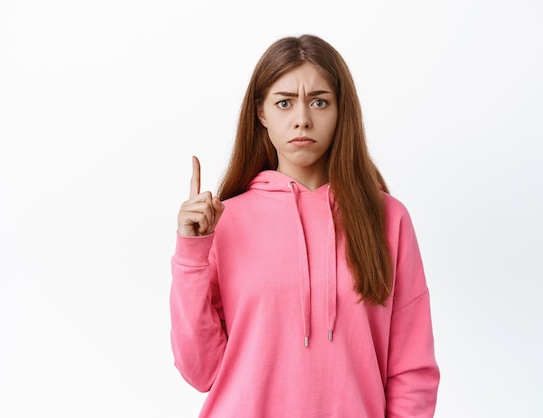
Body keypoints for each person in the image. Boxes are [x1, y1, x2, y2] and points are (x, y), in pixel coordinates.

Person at [170, 34, 440, 417]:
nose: (302, 119)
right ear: (261, 113)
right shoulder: (225, 222)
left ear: (340, 110)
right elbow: (200, 372)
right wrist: (191, 254)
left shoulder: (386, 219)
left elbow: (412, 371)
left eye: (319, 101)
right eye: (284, 103)